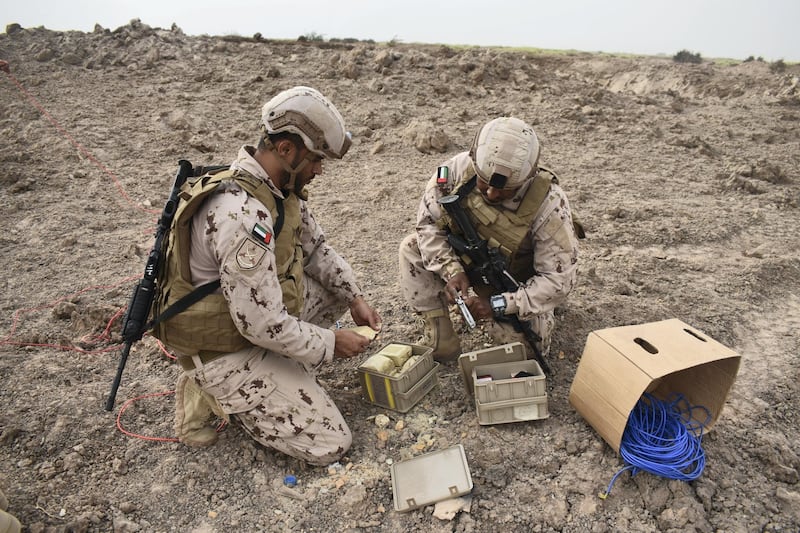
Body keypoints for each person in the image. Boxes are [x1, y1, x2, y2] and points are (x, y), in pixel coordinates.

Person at [153, 86, 382, 466]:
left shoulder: (277, 190)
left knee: (335, 288)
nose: (319, 170)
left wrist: (355, 297)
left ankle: (278, 377)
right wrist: (330, 343)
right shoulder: (242, 215)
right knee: (331, 444)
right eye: (316, 159)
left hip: (246, 323)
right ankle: (219, 393)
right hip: (225, 348)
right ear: (286, 149)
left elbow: (318, 250)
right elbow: (262, 326)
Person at [398, 116, 582, 363]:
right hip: (466, 260)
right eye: (484, 186)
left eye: (506, 191)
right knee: (411, 248)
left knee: (526, 351)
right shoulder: (455, 171)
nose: (492, 194)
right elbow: (428, 225)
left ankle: (539, 315)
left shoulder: (549, 204)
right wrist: (451, 271)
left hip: (514, 283)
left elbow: (559, 281)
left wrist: (498, 303)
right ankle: (441, 337)